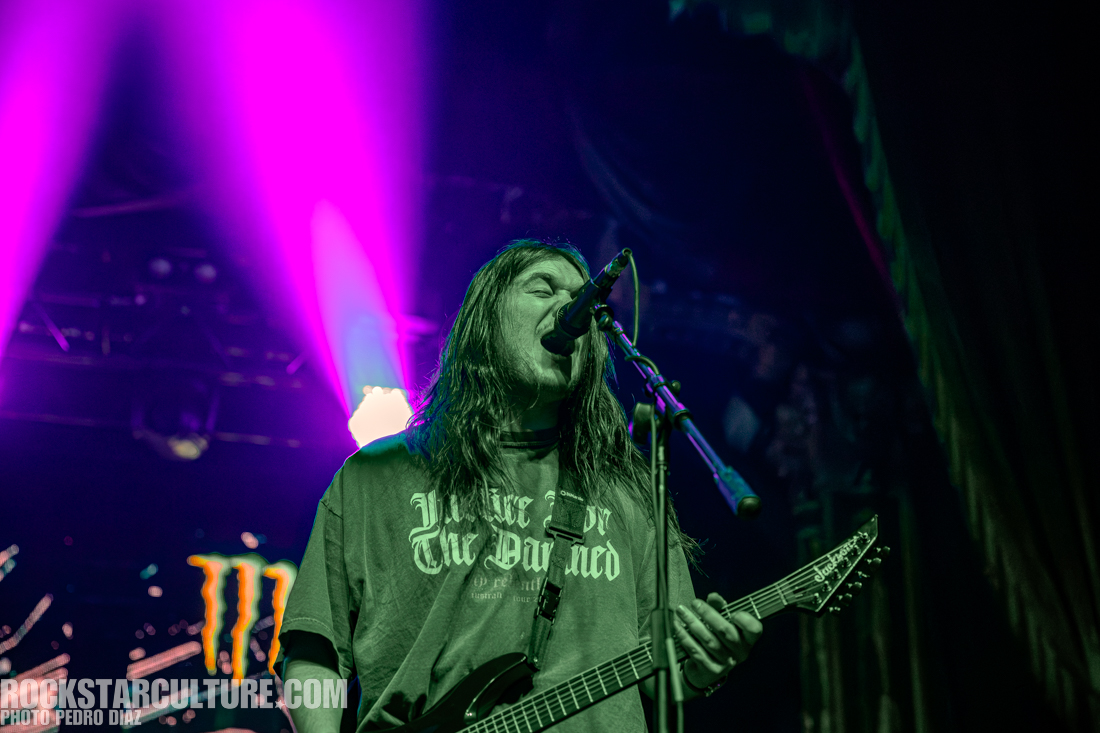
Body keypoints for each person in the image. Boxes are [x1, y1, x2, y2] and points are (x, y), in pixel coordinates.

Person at [279, 240, 763, 732]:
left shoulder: (628, 494)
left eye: (583, 300)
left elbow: (666, 671)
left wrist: (704, 666)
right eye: (543, 289)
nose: (571, 307)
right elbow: (312, 647)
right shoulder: (377, 475)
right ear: (486, 321)